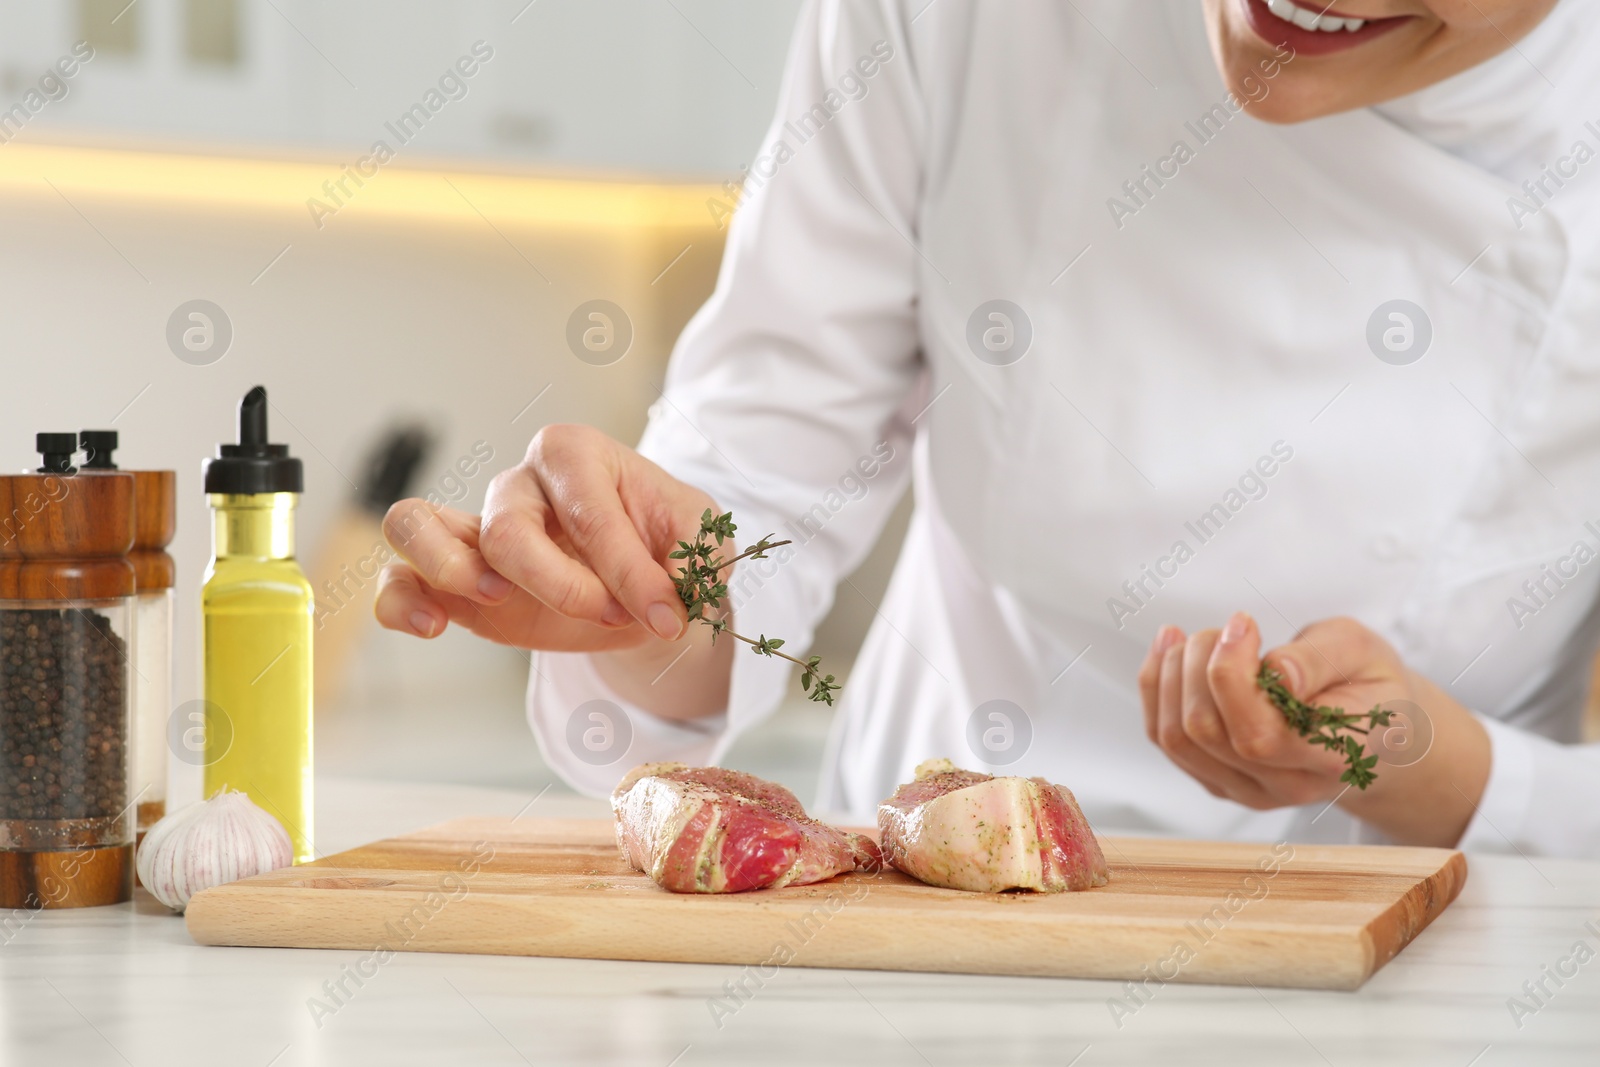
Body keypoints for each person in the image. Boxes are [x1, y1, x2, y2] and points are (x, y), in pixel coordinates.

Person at [375, 0, 1600, 857]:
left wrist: (1439, 773)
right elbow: (759, 486)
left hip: (1407, 958)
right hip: (927, 915)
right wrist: (637, 592)